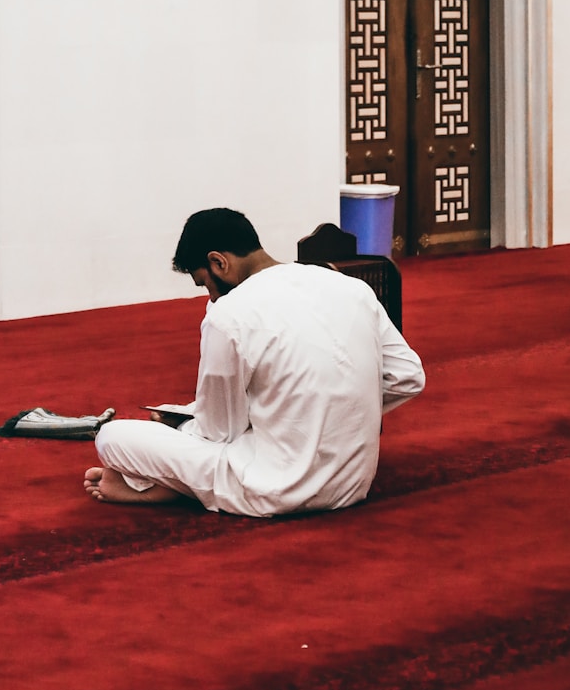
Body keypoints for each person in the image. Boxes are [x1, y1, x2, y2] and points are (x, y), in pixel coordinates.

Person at [84, 208, 425, 517]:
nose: (210, 296)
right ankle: (178, 484)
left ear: (219, 263)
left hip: (270, 489)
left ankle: (169, 486)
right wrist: (339, 409)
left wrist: (176, 425)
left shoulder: (228, 313)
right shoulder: (351, 288)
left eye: (205, 284)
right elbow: (408, 377)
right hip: (352, 485)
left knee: (112, 436)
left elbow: (217, 430)